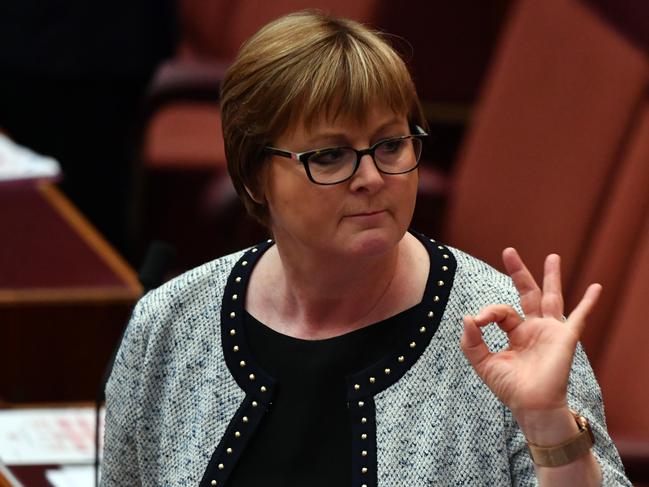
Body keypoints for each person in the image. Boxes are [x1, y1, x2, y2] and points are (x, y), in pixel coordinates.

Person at [100, 11, 631, 486]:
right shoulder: (169, 323)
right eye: (330, 155)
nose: (373, 177)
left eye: (392, 144)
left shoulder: (507, 330)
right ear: (254, 177)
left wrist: (546, 423)